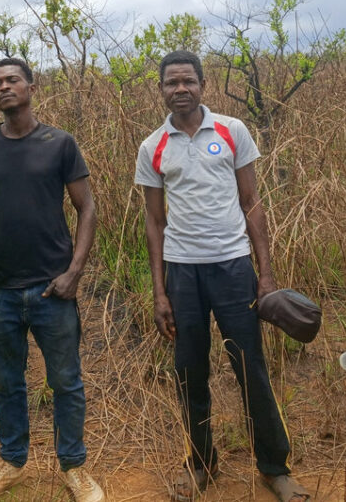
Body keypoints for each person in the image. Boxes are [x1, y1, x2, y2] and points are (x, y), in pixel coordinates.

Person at [134, 50, 308, 502]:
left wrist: (265, 274)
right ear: (161, 89)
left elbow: (252, 200)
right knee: (189, 372)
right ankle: (201, 463)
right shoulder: (152, 146)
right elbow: (154, 222)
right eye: (171, 83)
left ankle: (275, 468)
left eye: (188, 81)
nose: (180, 89)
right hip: (182, 273)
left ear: (203, 84)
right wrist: (160, 293)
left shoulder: (232, 131)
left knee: (251, 369)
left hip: (234, 268)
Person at [0, 58, 105, 502]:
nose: (4, 88)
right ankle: (11, 463)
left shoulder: (59, 143)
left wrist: (74, 272)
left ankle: (74, 468)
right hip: (2, 290)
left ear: (32, 85)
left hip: (53, 289)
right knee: (7, 383)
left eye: (12, 80)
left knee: (65, 381)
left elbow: (87, 208)